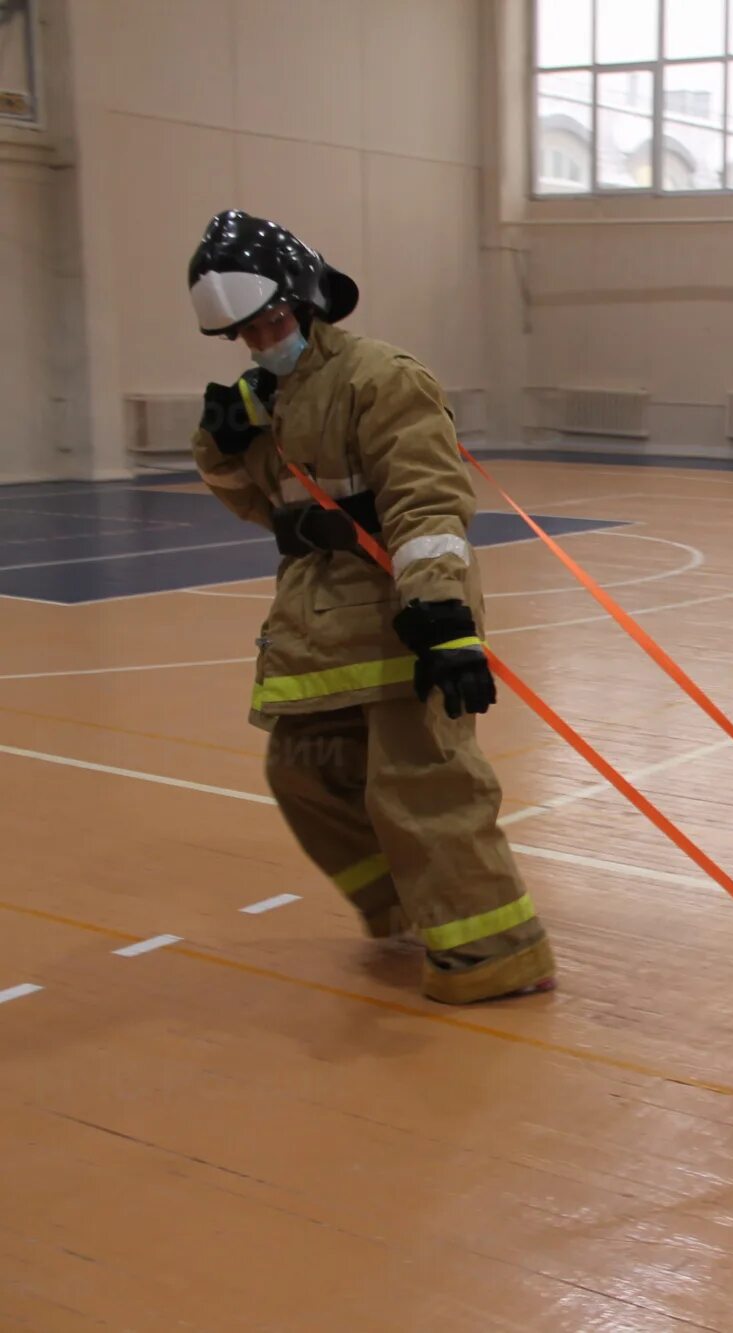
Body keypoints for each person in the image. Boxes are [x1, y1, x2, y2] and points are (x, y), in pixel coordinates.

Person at [185, 210, 556, 1004]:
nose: (261, 341)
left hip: (399, 614)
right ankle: (415, 905)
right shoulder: (270, 400)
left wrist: (443, 622)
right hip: (317, 621)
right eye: (246, 334)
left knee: (424, 784)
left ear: (307, 298)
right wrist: (223, 443)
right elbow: (256, 505)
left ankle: (495, 950)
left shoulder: (381, 378)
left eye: (272, 322)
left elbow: (428, 504)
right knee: (303, 770)